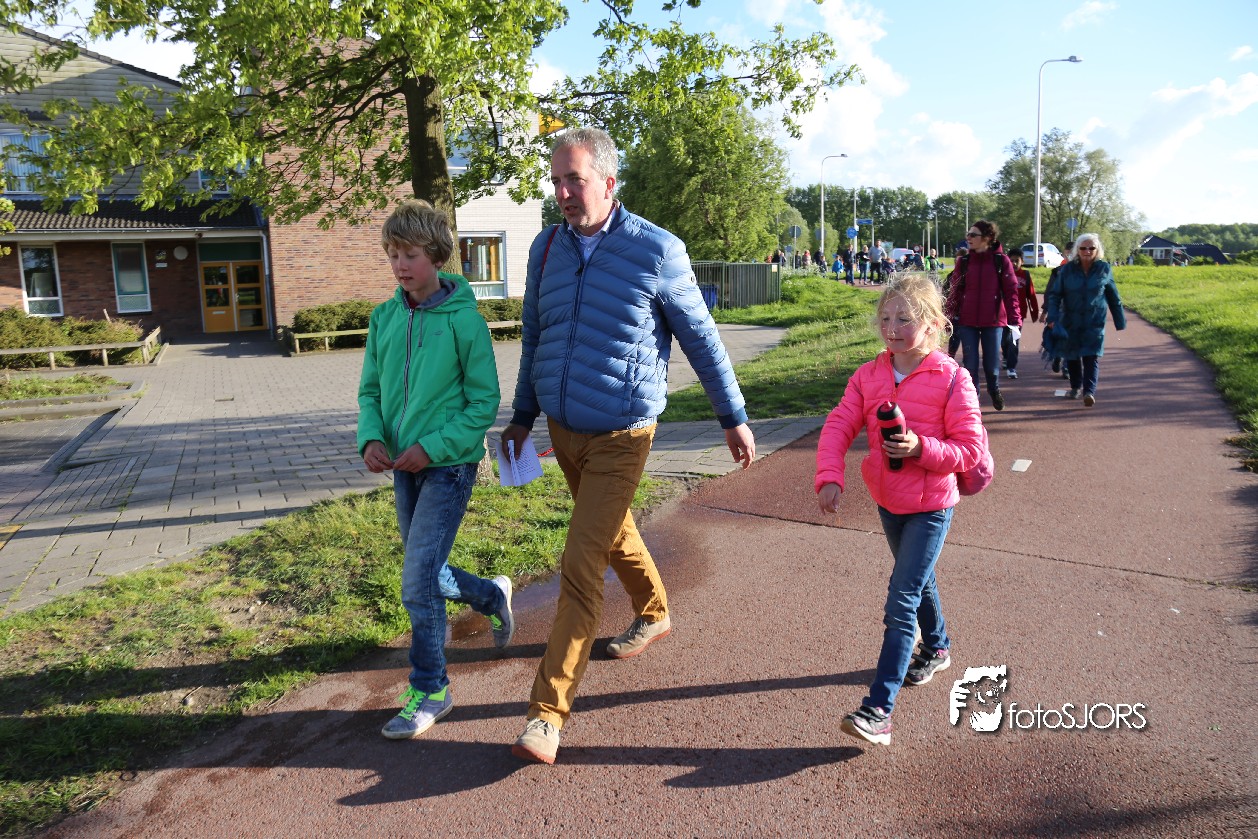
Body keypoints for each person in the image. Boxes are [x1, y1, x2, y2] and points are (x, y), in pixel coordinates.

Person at [503, 127, 756, 764]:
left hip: (622, 432)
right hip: (563, 430)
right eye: (556, 181)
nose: (563, 192)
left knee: (581, 562)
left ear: (609, 182)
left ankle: (546, 714)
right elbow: (535, 336)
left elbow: (701, 338)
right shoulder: (545, 247)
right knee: (611, 530)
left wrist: (732, 416)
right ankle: (654, 609)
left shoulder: (656, 250)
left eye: (575, 179)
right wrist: (523, 416)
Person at [357, 198, 515, 740]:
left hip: (449, 467)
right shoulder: (384, 318)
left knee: (417, 581)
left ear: (438, 256)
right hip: (403, 466)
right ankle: (491, 596)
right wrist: (370, 438)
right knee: (425, 571)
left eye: (411, 254)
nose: (400, 265)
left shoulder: (465, 322)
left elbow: (483, 402)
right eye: (393, 254)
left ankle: (431, 689)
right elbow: (370, 390)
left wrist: (432, 446)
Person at [815, 273, 986, 746]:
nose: (892, 328)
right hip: (888, 500)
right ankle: (939, 647)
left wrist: (920, 449)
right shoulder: (869, 375)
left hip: (932, 505)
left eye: (905, 319)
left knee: (902, 597)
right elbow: (839, 424)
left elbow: (970, 450)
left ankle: (879, 711)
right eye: (886, 317)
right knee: (919, 580)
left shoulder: (953, 379)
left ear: (932, 324)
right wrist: (829, 475)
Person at [944, 220, 1022, 411]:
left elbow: (1011, 292)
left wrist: (1015, 319)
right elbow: (955, 292)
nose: (968, 238)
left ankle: (994, 389)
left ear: (987, 238)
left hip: (993, 321)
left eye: (973, 235)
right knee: (969, 363)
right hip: (967, 320)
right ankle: (974, 400)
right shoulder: (963, 262)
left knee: (991, 364)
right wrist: (948, 315)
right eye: (968, 234)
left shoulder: (1001, 261)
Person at [1044, 232, 1126, 406]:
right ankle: (1075, 387)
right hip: (1071, 320)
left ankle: (1089, 392)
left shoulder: (1104, 268)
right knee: (1072, 356)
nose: (1087, 251)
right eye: (1083, 248)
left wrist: (1120, 320)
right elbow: (1055, 295)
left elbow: (1113, 295)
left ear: (1097, 250)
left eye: (1091, 248)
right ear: (1077, 250)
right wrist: (1052, 317)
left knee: (1091, 356)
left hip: (1094, 321)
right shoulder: (1067, 270)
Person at [1001, 250, 1040, 379]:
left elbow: (1031, 295)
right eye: (1011, 260)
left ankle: (1011, 367)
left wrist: (1035, 312)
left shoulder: (1025, 275)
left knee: (1014, 341)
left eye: (1016, 260)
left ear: (1022, 261)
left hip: (1018, 315)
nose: (1014, 263)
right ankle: (1006, 356)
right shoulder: (1003, 275)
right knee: (1004, 340)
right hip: (1003, 314)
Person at [1041, 241, 1072, 379]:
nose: (1071, 255)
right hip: (1058, 311)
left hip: (1074, 312)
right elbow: (1049, 292)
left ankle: (1067, 367)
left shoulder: (1082, 271)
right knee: (1059, 336)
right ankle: (1058, 356)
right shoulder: (1057, 271)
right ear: (1064, 253)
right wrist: (1045, 311)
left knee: (1071, 339)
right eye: (1068, 252)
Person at [942, 246, 967, 358]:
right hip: (955, 313)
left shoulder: (971, 276)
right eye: (957, 261)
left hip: (968, 313)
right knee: (954, 338)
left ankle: (968, 362)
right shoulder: (950, 276)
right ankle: (950, 358)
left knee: (968, 342)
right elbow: (945, 294)